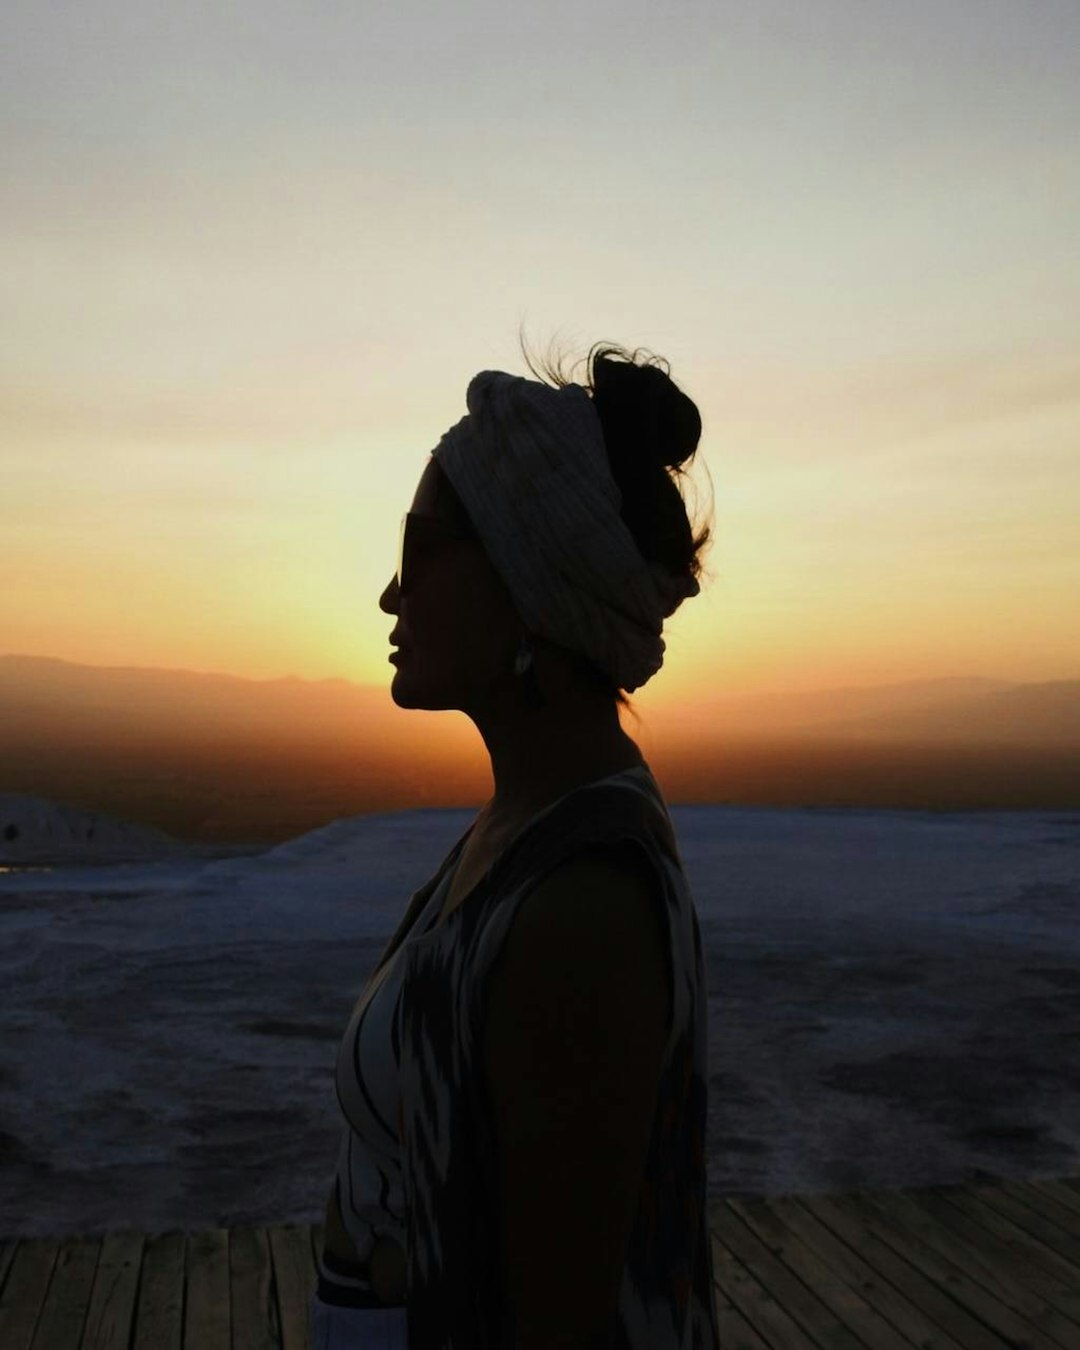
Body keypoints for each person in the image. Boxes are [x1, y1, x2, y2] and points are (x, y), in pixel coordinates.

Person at [313, 340, 720, 1350]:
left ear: (523, 584)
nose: (389, 596)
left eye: (417, 548)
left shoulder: (581, 904)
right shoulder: (524, 825)